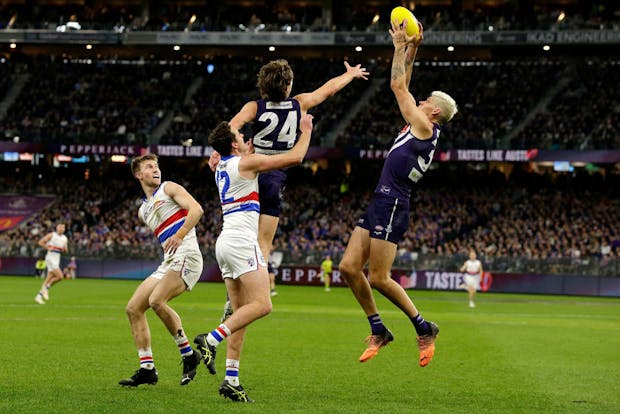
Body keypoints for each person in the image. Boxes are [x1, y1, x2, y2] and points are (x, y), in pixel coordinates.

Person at [208, 58, 369, 396]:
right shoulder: (299, 104)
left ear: (262, 86)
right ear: (289, 85)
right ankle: (242, 292)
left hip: (249, 168)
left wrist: (220, 150)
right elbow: (326, 91)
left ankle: (232, 346)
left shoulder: (254, 106)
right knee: (262, 245)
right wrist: (350, 75)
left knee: (247, 237)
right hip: (273, 171)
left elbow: (233, 125)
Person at [338, 20, 458, 367]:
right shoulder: (421, 124)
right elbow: (405, 82)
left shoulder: (423, 125)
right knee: (348, 268)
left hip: (393, 203)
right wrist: (413, 47)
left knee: (378, 277)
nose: (420, 99)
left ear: (433, 111)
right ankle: (379, 329)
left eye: (426, 100)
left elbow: (396, 84)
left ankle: (424, 327)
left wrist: (397, 47)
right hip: (382, 199)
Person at [194, 113, 314, 402]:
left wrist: (241, 146)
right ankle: (209, 339)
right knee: (263, 304)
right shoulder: (244, 163)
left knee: (240, 315)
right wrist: (306, 130)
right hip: (242, 243)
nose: (246, 139)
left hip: (224, 242)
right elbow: (295, 157)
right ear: (234, 146)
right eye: (240, 137)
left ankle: (231, 380)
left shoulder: (222, 164)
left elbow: (235, 151)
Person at [118, 154, 205, 387]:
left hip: (187, 256)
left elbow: (196, 210)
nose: (156, 169)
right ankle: (147, 368)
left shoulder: (169, 187)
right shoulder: (142, 210)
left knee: (157, 300)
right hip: (169, 262)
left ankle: (189, 356)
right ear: (139, 175)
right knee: (133, 308)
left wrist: (179, 234)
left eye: (156, 166)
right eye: (149, 167)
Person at [34, 223, 69, 304]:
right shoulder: (51, 235)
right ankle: (46, 288)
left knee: (49, 278)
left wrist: (65, 249)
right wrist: (48, 247)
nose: (62, 228)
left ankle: (39, 297)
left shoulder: (64, 238)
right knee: (60, 276)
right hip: (50, 258)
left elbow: (66, 250)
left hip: (57, 258)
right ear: (57, 227)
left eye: (63, 227)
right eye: (60, 226)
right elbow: (40, 242)